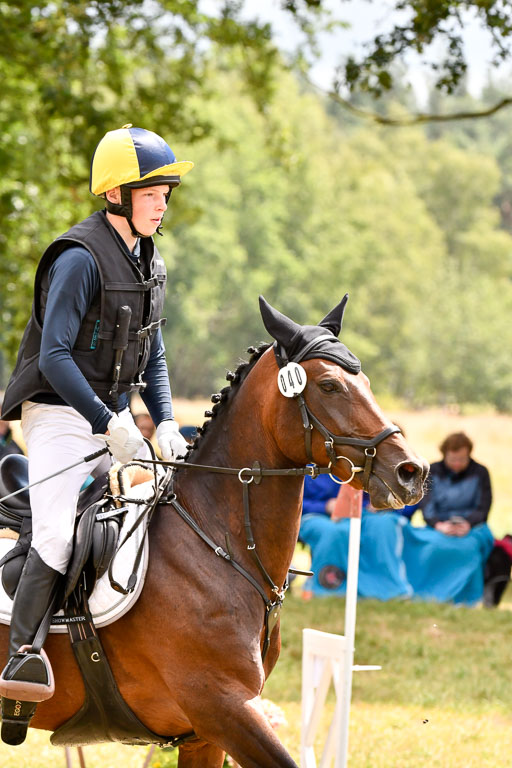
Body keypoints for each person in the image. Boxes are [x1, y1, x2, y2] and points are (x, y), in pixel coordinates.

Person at [0, 125, 193, 744]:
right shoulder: (79, 258)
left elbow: (153, 355)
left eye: (167, 190)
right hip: (58, 413)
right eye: (153, 191)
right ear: (116, 194)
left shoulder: (149, 259)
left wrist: (163, 421)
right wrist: (110, 422)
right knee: (57, 529)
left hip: (109, 418)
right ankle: (21, 658)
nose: (164, 201)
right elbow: (55, 356)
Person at [422, 432, 492, 534]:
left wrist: (468, 524)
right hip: (439, 527)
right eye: (453, 459)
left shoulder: (480, 472)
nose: (457, 464)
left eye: (462, 459)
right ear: (444, 455)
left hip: (472, 527)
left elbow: (483, 507)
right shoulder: (432, 471)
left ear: (469, 455)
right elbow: (426, 505)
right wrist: (438, 525)